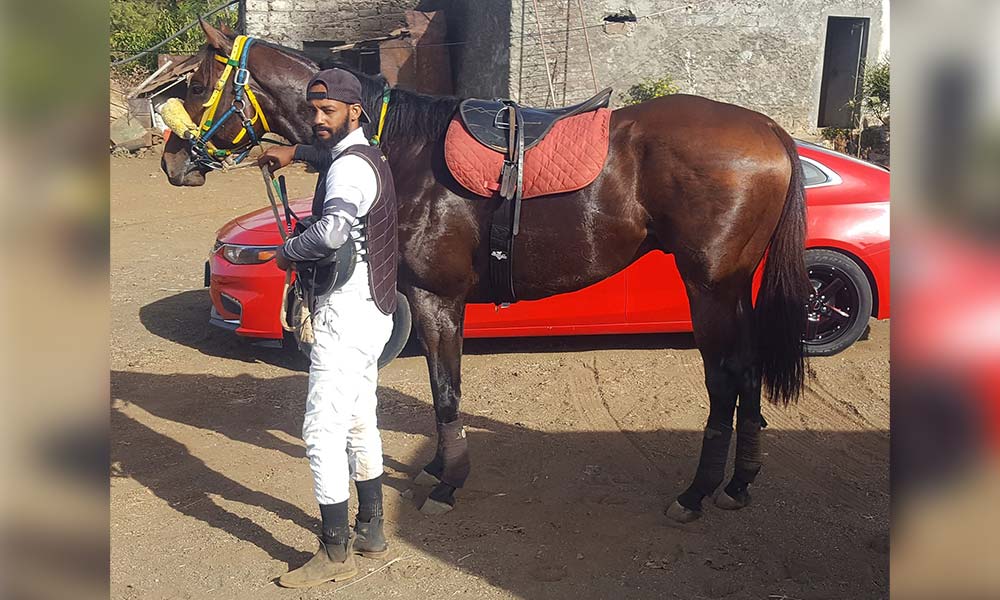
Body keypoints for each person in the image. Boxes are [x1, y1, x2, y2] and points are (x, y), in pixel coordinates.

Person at [258, 68, 398, 588]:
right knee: (361, 420)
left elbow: (334, 230)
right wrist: (295, 153)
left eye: (328, 110)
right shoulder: (365, 155)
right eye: (313, 109)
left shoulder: (348, 171)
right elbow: (330, 159)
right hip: (375, 309)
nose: (317, 118)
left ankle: (334, 550)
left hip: (344, 313)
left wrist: (287, 252)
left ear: (353, 112)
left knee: (320, 432)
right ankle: (371, 529)